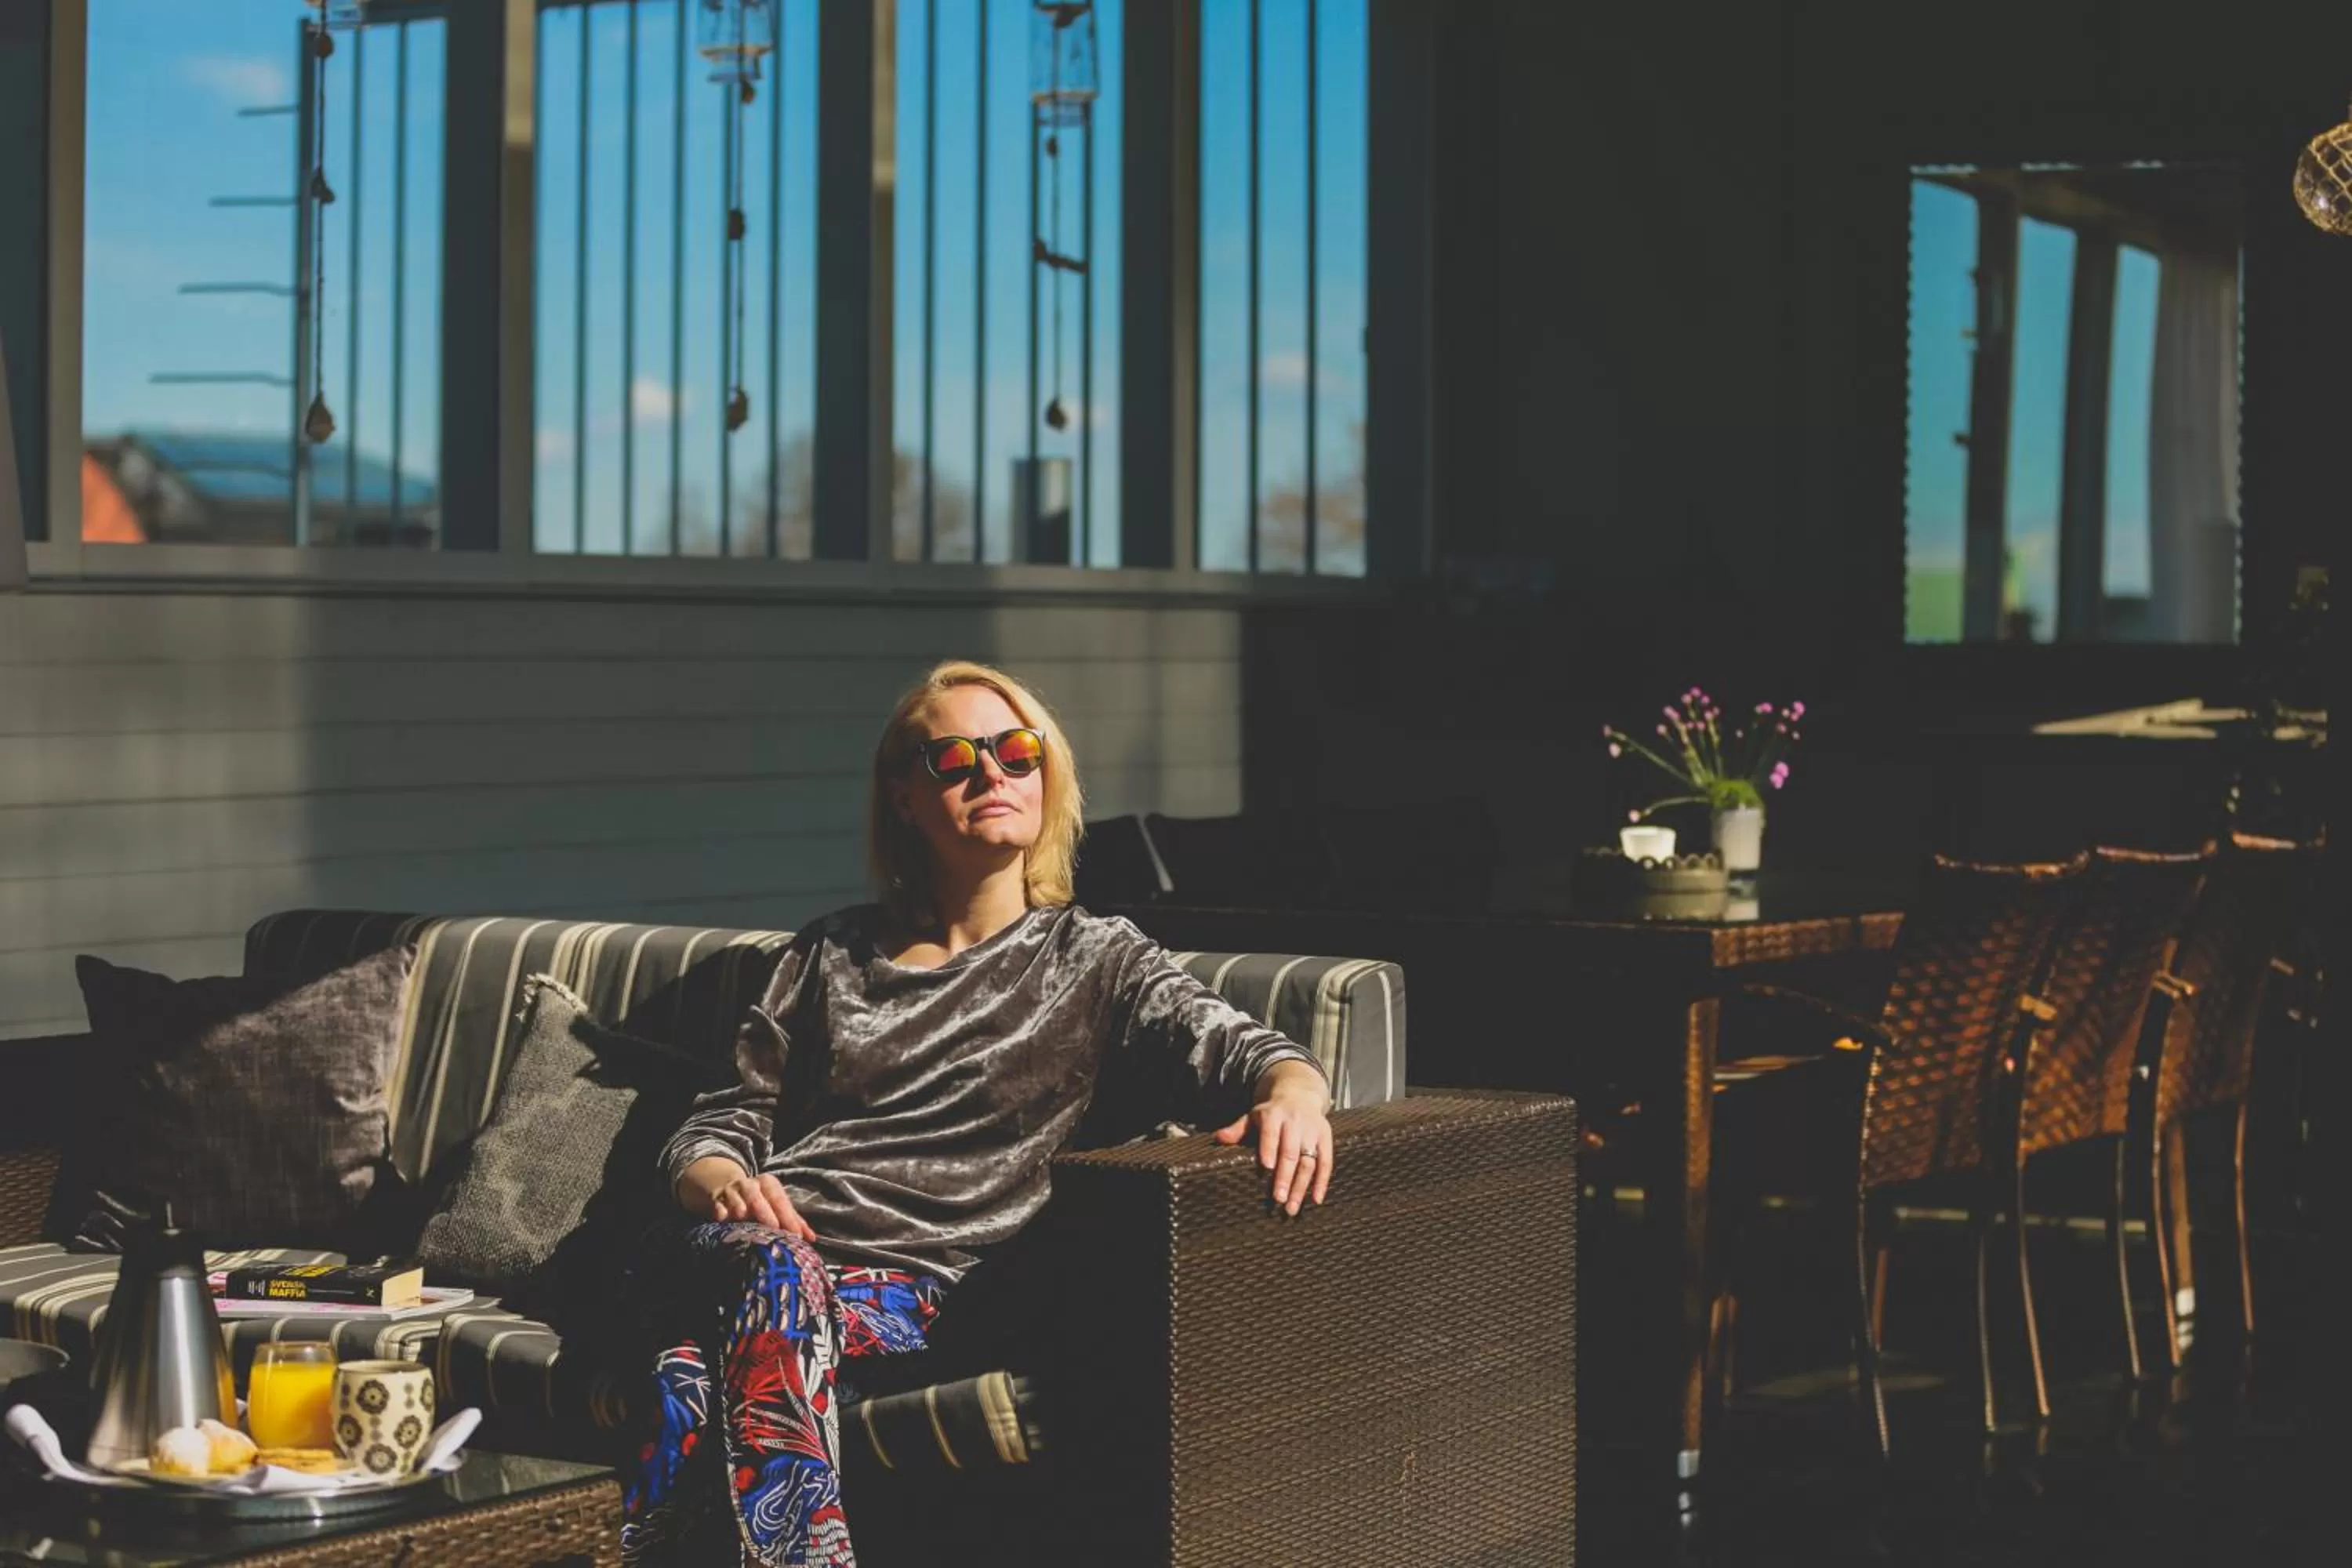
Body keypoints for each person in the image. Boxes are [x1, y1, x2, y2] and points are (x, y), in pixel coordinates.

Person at [620, 660, 1335, 1567]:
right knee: (766, 1268)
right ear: (906, 798)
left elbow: (1242, 1047)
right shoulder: (831, 951)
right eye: (954, 757)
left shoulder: (1093, 956)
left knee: (684, 1379)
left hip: (920, 1293)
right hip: (744, 1252)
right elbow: (722, 1117)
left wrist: (1295, 1090)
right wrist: (720, 1181)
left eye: (1016, 750)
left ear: (1047, 774)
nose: (992, 773)